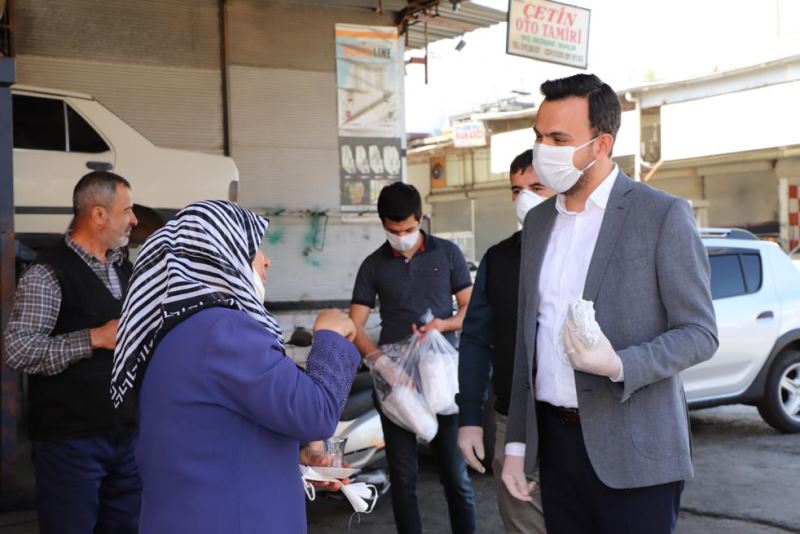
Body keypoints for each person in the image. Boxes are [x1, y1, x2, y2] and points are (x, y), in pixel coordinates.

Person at [501, 74, 719, 534]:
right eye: (539, 137)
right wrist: (518, 446)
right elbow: (529, 339)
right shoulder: (539, 223)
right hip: (556, 449)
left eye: (559, 139)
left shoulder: (660, 215)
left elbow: (700, 333)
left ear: (602, 145)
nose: (545, 150)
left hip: (636, 453)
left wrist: (620, 363)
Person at [109, 200, 360, 534]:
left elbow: (215, 434)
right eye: (254, 249)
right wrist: (330, 336)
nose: (266, 260)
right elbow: (317, 414)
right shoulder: (223, 331)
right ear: (219, 254)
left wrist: (299, 456)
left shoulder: (179, 333)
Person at [3, 171, 140, 533]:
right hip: (71, 444)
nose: (134, 219)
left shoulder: (125, 269)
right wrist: (93, 338)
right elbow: (17, 349)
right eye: (127, 210)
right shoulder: (46, 274)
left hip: (127, 439)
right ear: (98, 215)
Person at [349, 182, 476, 534]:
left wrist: (444, 324)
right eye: (393, 231)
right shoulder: (373, 265)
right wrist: (382, 363)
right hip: (397, 386)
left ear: (421, 219)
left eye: (407, 229)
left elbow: (470, 308)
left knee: (455, 475)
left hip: (442, 377)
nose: (401, 237)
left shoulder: (447, 254)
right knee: (404, 478)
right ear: (383, 224)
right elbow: (354, 325)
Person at [457, 149, 554, 533]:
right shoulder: (498, 260)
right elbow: (477, 341)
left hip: (578, 421)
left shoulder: (585, 254)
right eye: (516, 190)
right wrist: (469, 419)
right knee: (522, 520)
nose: (524, 198)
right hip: (512, 421)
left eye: (536, 187)